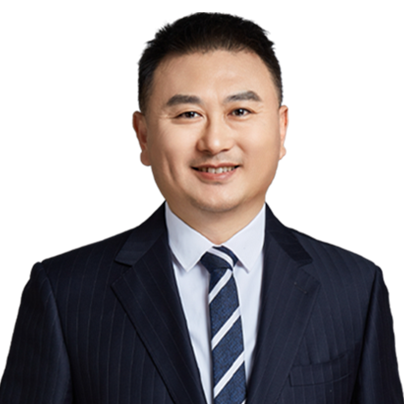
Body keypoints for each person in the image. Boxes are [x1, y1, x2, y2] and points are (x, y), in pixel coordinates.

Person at [0, 12, 402, 404]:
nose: (215, 142)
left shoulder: (353, 288)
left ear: (282, 129)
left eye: (239, 111)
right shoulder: (66, 294)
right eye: (188, 114)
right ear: (144, 136)